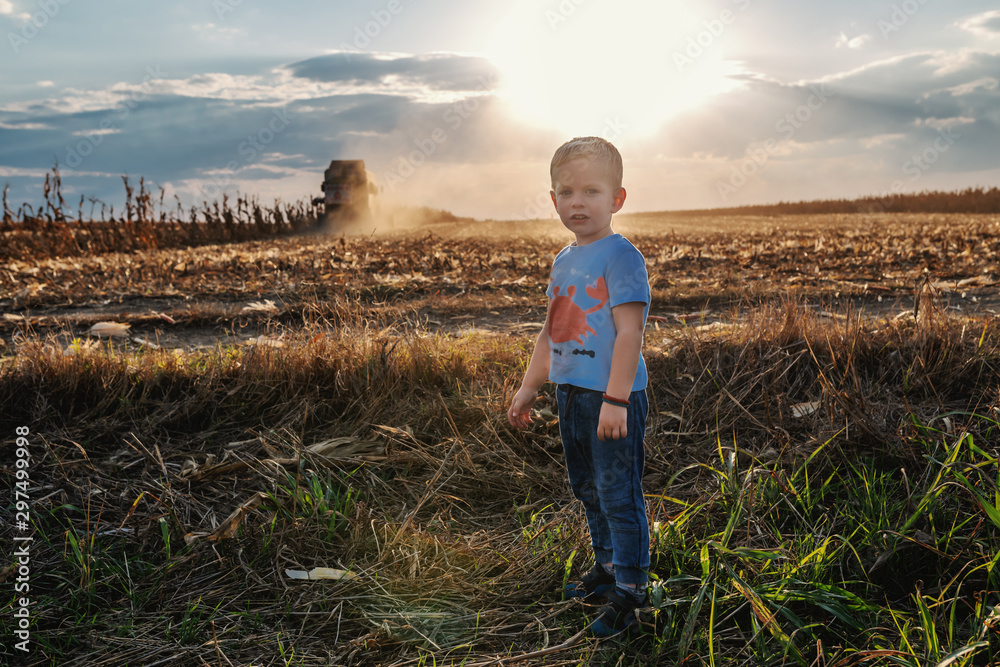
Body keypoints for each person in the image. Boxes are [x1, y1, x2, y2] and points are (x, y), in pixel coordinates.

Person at [507, 136, 651, 637]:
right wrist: (530, 387)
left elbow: (631, 332)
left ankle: (632, 595)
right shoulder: (564, 260)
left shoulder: (621, 256)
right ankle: (607, 569)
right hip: (571, 396)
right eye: (566, 192)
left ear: (617, 199)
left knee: (618, 493)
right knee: (587, 488)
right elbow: (552, 330)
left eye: (591, 191)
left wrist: (616, 399)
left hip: (613, 399)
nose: (577, 202)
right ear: (553, 200)